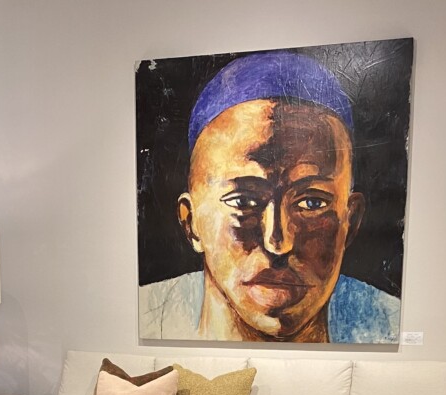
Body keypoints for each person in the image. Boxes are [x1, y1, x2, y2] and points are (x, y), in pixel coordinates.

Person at [139, 51, 400, 343]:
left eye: (311, 203)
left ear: (349, 221)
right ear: (191, 223)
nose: (278, 243)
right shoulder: (146, 314)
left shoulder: (390, 325)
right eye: (243, 201)